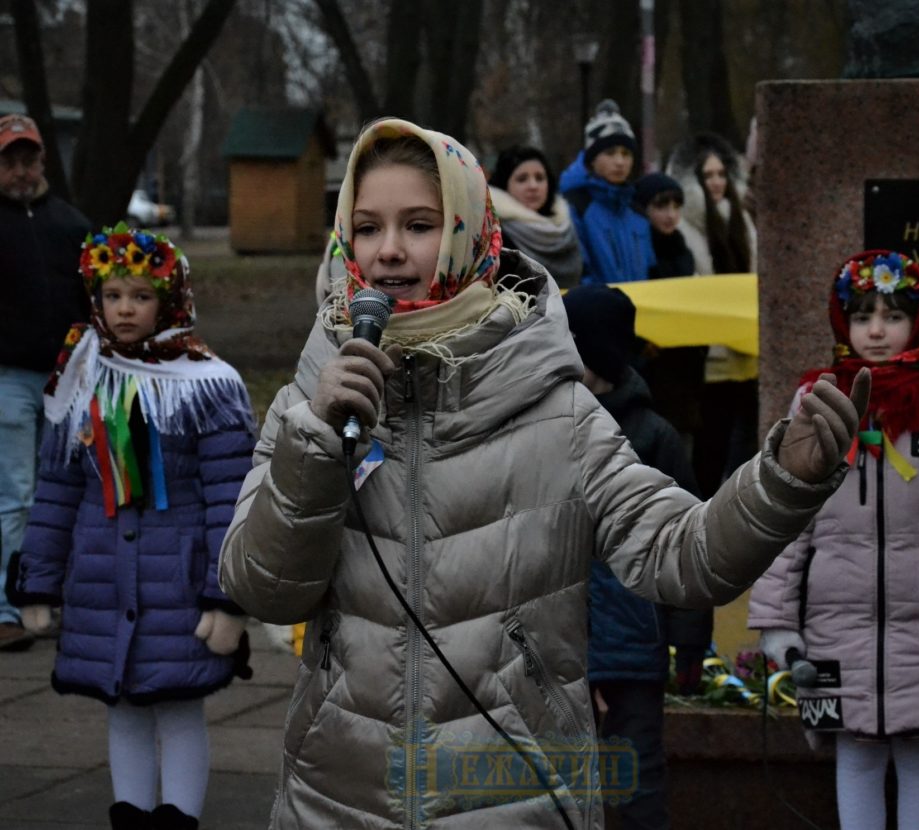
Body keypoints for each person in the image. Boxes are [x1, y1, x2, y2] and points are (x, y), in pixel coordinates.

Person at [218, 117, 869, 829]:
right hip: (336, 802)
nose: (390, 252)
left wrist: (783, 480)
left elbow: (682, 557)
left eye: (419, 224)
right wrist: (315, 447)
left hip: (512, 799)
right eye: (368, 228)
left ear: (469, 230)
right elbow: (261, 589)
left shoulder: (557, 411)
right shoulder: (307, 402)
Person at [748, 250, 919, 830]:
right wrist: (777, 617)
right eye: (862, 314)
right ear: (841, 321)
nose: (875, 330)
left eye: (893, 316)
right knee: (856, 752)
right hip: (834, 621)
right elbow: (786, 514)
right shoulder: (815, 402)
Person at [6, 224, 256, 830]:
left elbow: (231, 495)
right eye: (114, 294)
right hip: (102, 580)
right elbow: (59, 490)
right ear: (96, 298)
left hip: (179, 583)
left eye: (140, 296)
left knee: (177, 709)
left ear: (168, 301)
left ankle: (177, 818)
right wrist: (37, 581)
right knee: (121, 709)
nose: (124, 308)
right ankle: (133, 817)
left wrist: (227, 597)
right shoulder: (79, 382)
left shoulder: (209, 386)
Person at [563, 283, 710, 830]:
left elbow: (688, 541)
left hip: (630, 647)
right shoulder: (542, 424)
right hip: (554, 644)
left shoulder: (652, 436)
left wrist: (690, 640)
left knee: (637, 785)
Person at [0, 112, 90, 651]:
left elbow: (92, 302)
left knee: (62, 494)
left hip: (66, 382)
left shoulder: (71, 225)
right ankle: (9, 607)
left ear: (41, 161)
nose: (20, 171)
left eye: (27, 159)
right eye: (9, 161)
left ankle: (50, 600)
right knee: (16, 495)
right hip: (7, 379)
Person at [671, 136, 759, 497]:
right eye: (708, 175)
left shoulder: (742, 220)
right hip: (711, 356)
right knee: (711, 443)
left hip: (748, 352)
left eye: (722, 173)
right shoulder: (685, 226)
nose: (717, 182)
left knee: (748, 443)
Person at [630, 171, 706, 453]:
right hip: (653, 363)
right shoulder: (640, 250)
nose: (671, 214)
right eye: (661, 206)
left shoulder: (682, 248)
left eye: (676, 206)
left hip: (685, 365)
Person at [559, 99, 656, 285]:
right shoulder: (575, 207)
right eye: (610, 153)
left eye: (626, 154)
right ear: (593, 160)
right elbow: (577, 274)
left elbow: (651, 272)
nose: (620, 161)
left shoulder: (638, 213)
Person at [488, 145, 582, 288]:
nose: (533, 186)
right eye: (522, 179)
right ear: (504, 185)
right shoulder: (494, 231)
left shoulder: (566, 224)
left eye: (540, 178)